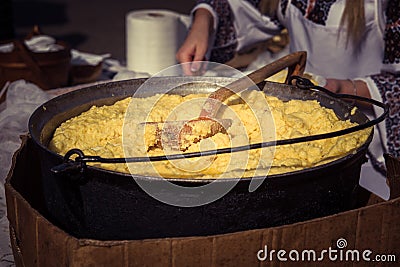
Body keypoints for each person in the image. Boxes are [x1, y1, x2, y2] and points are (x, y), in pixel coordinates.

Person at [176, 0, 400, 198]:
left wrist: (340, 87)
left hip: (365, 148)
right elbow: (247, 7)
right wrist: (204, 20)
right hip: (296, 112)